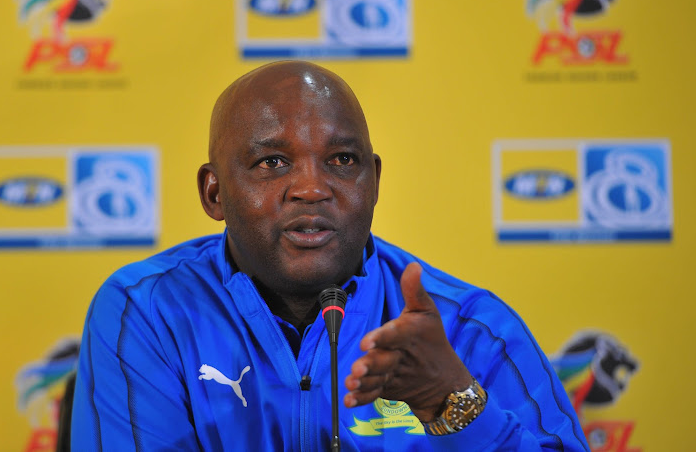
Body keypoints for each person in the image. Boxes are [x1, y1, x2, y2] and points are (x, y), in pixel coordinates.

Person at [70, 61, 589, 451]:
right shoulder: (147, 312)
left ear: (374, 182)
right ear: (214, 194)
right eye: (272, 162)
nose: (313, 189)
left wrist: (453, 407)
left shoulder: (469, 326)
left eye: (342, 160)